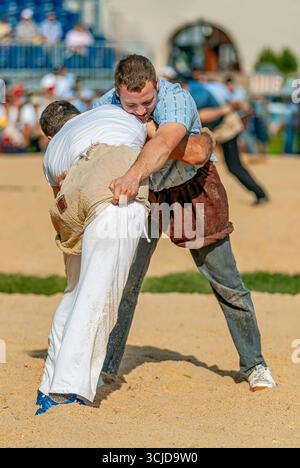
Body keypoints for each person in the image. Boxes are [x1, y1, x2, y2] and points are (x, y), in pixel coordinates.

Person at [94, 54, 276, 392]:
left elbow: (185, 151)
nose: (140, 110)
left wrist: (147, 144)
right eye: (131, 105)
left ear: (157, 86)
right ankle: (107, 365)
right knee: (124, 283)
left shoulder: (175, 98)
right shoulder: (105, 106)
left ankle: (254, 365)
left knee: (226, 282)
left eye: (147, 102)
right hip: (148, 197)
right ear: (117, 92)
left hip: (191, 191)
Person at [36, 100, 213, 415]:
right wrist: (207, 138)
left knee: (75, 291)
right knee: (100, 292)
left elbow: (61, 202)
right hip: (113, 189)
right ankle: (67, 389)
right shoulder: (115, 112)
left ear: (50, 136)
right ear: (79, 115)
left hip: (71, 201)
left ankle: (49, 383)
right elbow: (184, 148)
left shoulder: (52, 153)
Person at [188, 68, 269, 205]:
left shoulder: (201, 91)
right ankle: (260, 193)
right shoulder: (203, 89)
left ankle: (260, 194)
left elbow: (213, 112)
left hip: (227, 129)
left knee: (234, 166)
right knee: (231, 166)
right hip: (223, 128)